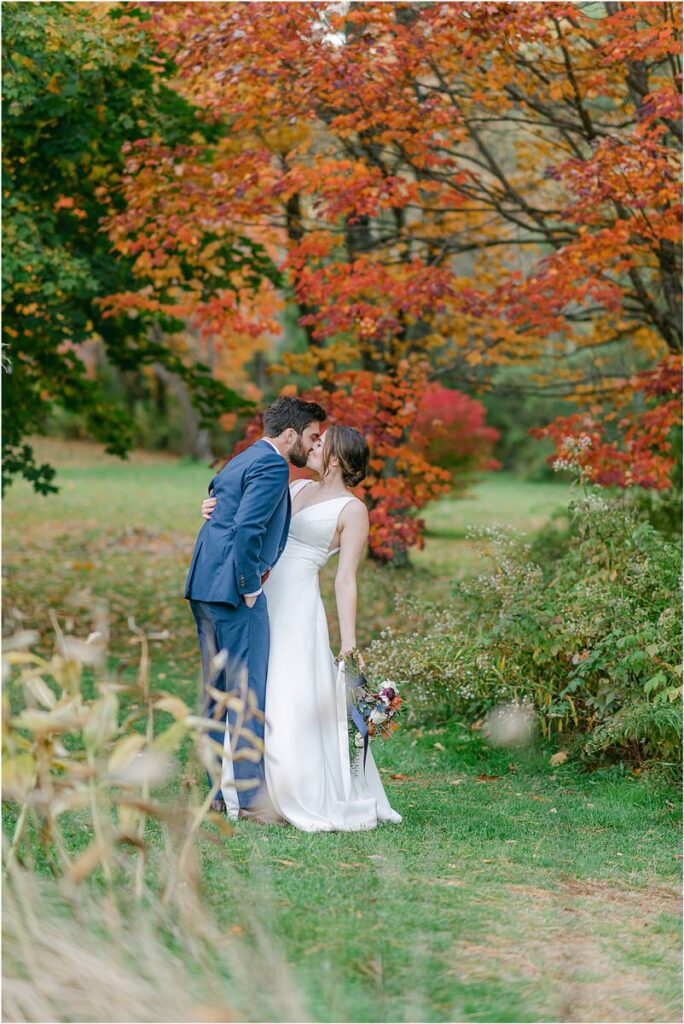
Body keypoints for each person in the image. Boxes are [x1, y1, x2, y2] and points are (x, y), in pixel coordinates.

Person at [201, 424, 401, 831]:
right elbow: (248, 522)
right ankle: (241, 786)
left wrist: (348, 643)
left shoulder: (353, 510)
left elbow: (346, 580)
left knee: (286, 690)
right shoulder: (292, 489)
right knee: (250, 683)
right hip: (261, 594)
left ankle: (288, 788)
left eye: (321, 443)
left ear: (339, 459)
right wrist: (212, 509)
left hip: (298, 608)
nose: (311, 446)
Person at [185, 395, 326, 815]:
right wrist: (249, 585)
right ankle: (248, 803)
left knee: (216, 694)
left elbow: (218, 489)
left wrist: (208, 503)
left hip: (204, 585)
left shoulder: (245, 457)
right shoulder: (271, 465)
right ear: (289, 435)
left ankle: (212, 796)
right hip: (233, 591)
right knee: (246, 695)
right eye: (312, 437)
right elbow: (248, 527)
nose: (313, 444)